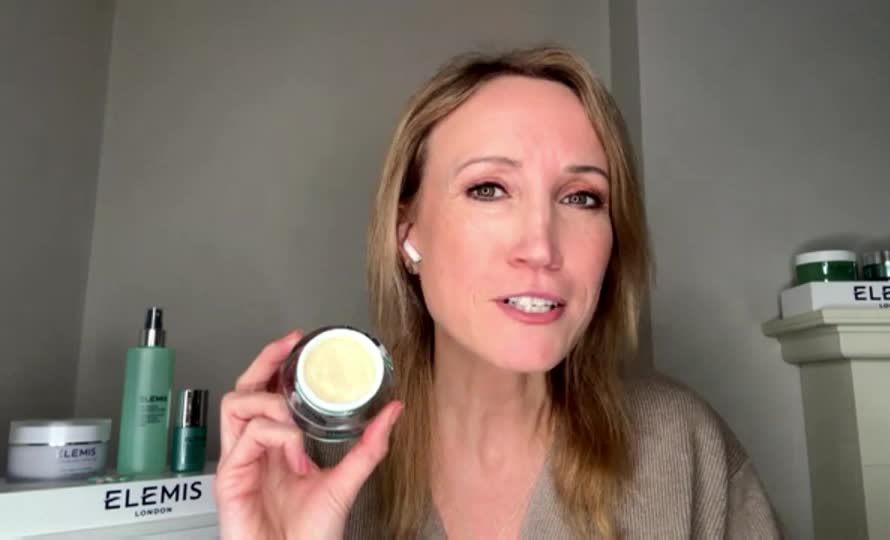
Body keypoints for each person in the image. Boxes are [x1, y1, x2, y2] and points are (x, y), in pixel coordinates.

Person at [214, 46, 784, 539]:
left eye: (582, 197)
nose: (541, 246)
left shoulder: (679, 444)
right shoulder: (309, 463)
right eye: (488, 189)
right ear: (408, 234)